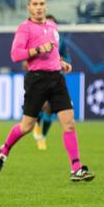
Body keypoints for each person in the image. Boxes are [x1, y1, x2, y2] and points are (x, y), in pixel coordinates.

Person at [0, 0, 95, 182]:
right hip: (36, 80)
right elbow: (16, 55)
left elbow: (54, 53)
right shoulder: (25, 28)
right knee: (27, 126)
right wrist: (38, 49)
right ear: (28, 8)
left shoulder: (53, 26)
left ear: (45, 7)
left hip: (56, 78)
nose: (39, 7)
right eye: (35, 4)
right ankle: (4, 150)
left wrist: (61, 63)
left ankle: (76, 168)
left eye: (42, 4)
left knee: (69, 122)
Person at [30, 14, 72, 150]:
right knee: (41, 105)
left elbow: (67, 59)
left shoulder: (62, 42)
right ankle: (36, 124)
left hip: (55, 78)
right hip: (39, 77)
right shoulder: (37, 40)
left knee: (49, 108)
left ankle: (42, 136)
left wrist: (63, 63)